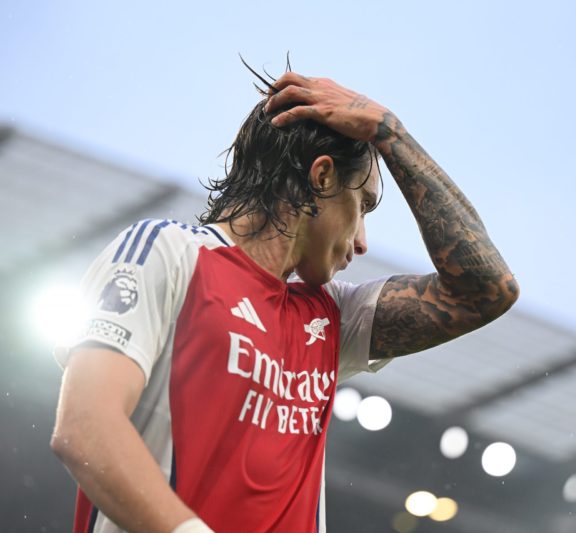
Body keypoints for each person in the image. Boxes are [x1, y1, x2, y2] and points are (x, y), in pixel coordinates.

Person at [50, 69, 520, 533]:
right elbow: (85, 427)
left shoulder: (333, 315)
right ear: (322, 177)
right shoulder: (168, 252)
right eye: (363, 208)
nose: (362, 242)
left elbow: (486, 290)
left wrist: (391, 133)